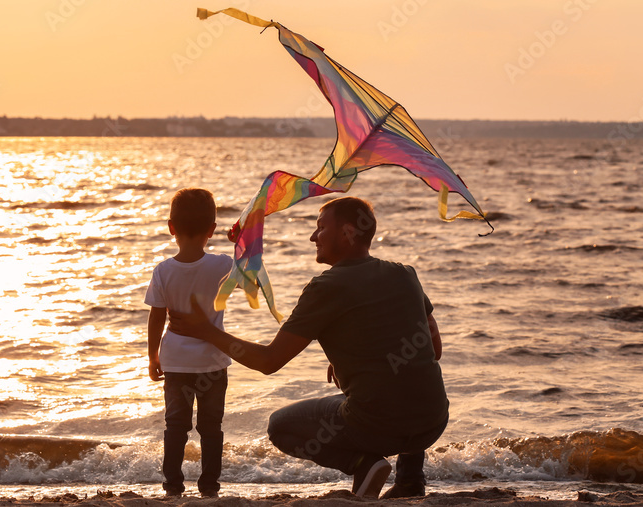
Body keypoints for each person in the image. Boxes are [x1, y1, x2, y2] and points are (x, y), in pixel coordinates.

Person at [169, 196, 447, 499]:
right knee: (409, 384)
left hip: (378, 425)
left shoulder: (326, 287)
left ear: (348, 233)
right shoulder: (405, 273)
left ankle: (363, 463)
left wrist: (207, 331)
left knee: (281, 426)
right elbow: (433, 348)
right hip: (432, 422)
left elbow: (269, 360)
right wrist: (358, 355)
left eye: (321, 228)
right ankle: (409, 481)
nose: (313, 236)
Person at [145, 188, 234, 498]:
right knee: (211, 428)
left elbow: (157, 318)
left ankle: (172, 486)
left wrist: (152, 356)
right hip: (212, 362)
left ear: (171, 227)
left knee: (175, 426)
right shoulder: (223, 265)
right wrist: (240, 237)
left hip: (176, 362)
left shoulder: (164, 271)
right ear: (212, 230)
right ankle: (209, 487)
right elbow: (251, 268)